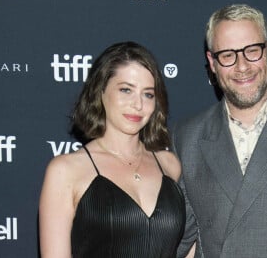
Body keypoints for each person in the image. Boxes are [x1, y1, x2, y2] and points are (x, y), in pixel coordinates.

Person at [39, 41, 187, 257]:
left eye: (148, 94)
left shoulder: (169, 165)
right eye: (126, 90)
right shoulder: (66, 171)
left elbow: (189, 246)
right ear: (100, 92)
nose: (138, 104)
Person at [172, 4, 267, 258]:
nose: (242, 66)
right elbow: (180, 238)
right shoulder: (186, 137)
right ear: (212, 63)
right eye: (227, 55)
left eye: (252, 51)